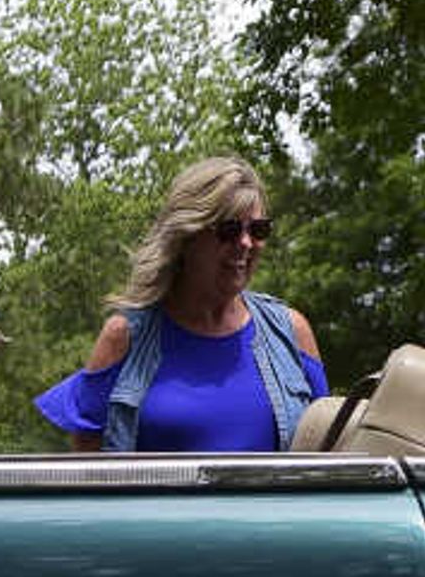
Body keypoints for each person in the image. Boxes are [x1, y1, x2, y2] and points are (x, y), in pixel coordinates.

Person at [33, 155, 327, 452]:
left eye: (258, 230)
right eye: (229, 230)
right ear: (187, 237)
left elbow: (328, 454)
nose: (246, 243)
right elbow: (89, 476)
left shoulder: (291, 332)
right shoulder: (124, 338)